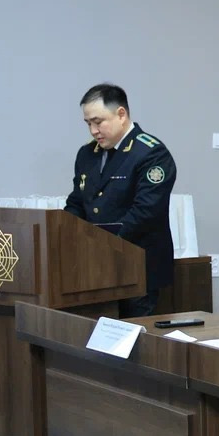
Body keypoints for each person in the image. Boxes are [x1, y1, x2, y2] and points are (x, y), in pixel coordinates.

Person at [63, 84, 176, 318]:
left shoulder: (150, 153)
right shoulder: (87, 154)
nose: (93, 131)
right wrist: (65, 234)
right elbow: (77, 203)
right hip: (94, 268)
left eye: (98, 122)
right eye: (88, 124)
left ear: (121, 114)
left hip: (136, 267)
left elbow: (145, 212)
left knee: (134, 336)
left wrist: (101, 245)